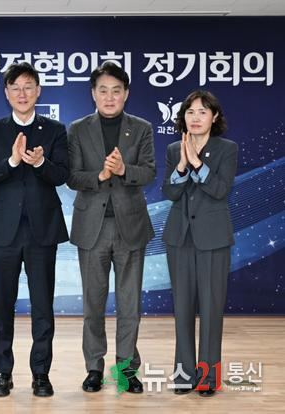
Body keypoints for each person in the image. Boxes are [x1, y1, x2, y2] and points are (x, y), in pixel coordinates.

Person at [0, 62, 69, 398]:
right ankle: (2, 372)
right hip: (3, 232)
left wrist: (40, 163)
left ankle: (41, 374)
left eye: (28, 86)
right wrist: (13, 162)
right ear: (6, 93)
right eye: (15, 87)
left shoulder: (55, 130)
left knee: (43, 306)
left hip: (42, 231)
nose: (22, 93)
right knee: (2, 305)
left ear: (38, 91)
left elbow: (62, 175)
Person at [67, 61, 155, 394]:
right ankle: (94, 367)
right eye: (103, 90)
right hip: (92, 227)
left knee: (130, 304)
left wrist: (122, 170)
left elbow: (149, 172)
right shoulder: (78, 129)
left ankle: (126, 369)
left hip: (130, 225)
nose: (109, 96)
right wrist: (101, 175)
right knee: (93, 303)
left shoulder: (142, 128)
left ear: (126, 94)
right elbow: (72, 176)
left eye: (116, 90)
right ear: (93, 93)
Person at [162, 90, 237, 397]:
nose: (195, 117)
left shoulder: (227, 149)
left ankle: (207, 378)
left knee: (211, 310)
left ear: (214, 117)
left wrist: (196, 163)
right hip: (179, 238)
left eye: (202, 112)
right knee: (182, 310)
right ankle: (183, 375)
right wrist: (182, 166)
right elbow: (170, 192)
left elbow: (220, 190)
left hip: (213, 238)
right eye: (190, 112)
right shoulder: (173, 149)